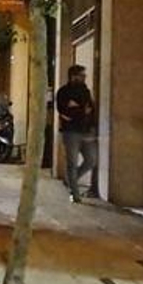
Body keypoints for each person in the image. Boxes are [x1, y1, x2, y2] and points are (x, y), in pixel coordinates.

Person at [56, 64, 98, 202]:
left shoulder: (86, 91)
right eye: (82, 75)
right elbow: (64, 113)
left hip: (86, 131)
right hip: (71, 132)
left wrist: (79, 110)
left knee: (91, 160)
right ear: (73, 76)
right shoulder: (63, 92)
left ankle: (70, 180)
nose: (84, 78)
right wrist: (81, 111)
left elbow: (90, 109)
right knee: (72, 163)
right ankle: (75, 193)